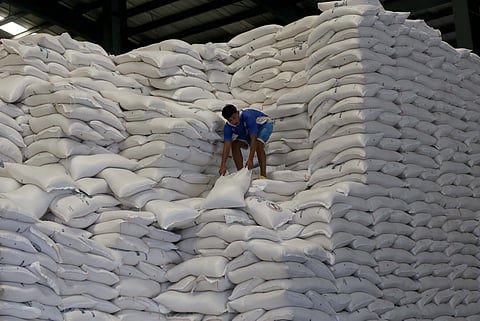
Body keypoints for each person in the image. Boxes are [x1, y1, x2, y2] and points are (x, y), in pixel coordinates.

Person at [219, 104, 274, 179]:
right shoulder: (228, 127)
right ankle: (241, 174)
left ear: (238, 113)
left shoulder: (248, 116)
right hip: (247, 130)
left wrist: (250, 159)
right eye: (230, 120)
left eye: (234, 117)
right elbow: (226, 146)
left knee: (258, 144)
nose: (234, 121)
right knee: (235, 145)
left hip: (264, 125)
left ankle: (263, 175)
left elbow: (253, 139)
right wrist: (223, 165)